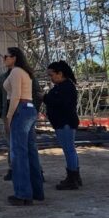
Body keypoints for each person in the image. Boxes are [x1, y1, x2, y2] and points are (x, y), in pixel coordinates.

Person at [2, 46, 43, 205]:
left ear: (14, 57)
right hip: (29, 109)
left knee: (18, 154)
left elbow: (16, 95)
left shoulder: (16, 72)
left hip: (20, 109)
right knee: (31, 152)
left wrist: (9, 115)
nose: (4, 59)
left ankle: (22, 194)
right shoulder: (24, 72)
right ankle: (36, 191)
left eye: (6, 56)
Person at [0, 55, 45, 181]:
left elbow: (37, 94)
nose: (5, 59)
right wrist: (1, 112)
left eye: (8, 56)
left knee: (29, 145)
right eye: (4, 57)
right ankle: (13, 169)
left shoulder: (28, 76)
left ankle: (36, 172)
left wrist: (33, 111)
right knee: (11, 144)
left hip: (24, 115)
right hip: (9, 116)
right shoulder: (2, 78)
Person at [44, 60, 82, 190]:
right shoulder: (63, 87)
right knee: (70, 149)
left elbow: (59, 103)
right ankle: (75, 176)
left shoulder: (66, 87)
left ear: (60, 73)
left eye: (52, 75)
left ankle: (72, 178)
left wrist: (45, 98)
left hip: (65, 123)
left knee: (69, 150)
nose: (51, 78)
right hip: (64, 122)